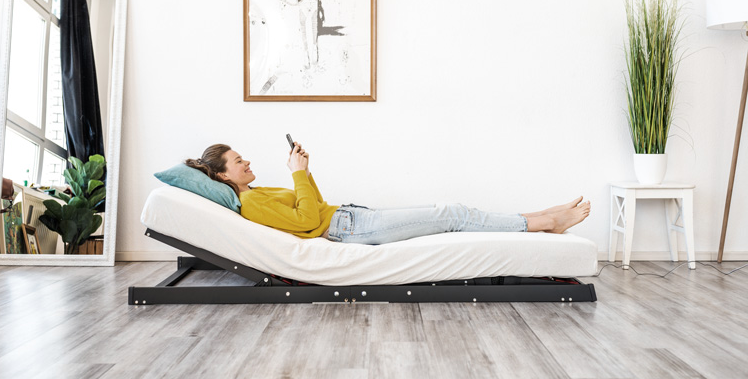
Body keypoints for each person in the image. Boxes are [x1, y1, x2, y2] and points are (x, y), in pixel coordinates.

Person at [185, 143, 591, 245]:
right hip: (350, 229)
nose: (246, 162)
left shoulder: (255, 192)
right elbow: (308, 222)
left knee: (453, 212)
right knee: (451, 213)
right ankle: (542, 223)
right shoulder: (251, 202)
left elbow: (313, 205)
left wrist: (304, 173)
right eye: (238, 161)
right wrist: (299, 175)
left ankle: (536, 217)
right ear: (222, 175)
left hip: (350, 216)